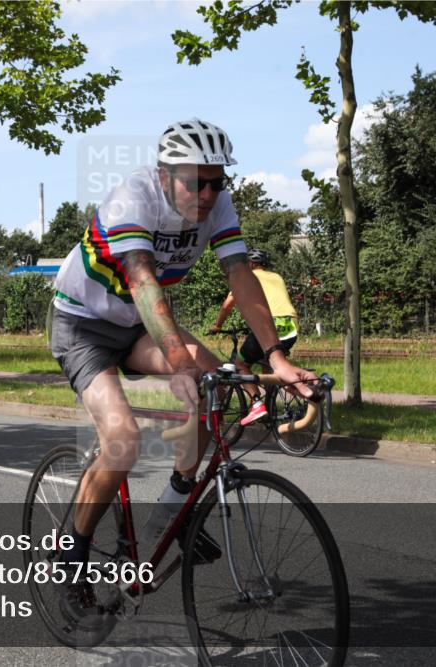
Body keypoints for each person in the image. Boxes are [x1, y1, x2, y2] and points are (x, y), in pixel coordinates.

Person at [50, 119, 317, 612]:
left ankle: (174, 513)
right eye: (196, 182)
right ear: (164, 175)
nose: (208, 194)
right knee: (123, 438)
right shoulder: (133, 197)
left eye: (218, 181)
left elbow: (240, 274)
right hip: (84, 326)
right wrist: (178, 361)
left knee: (219, 388)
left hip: (137, 327)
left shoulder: (218, 203)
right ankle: (71, 555)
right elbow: (142, 280)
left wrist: (275, 357)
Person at [208, 248, 300, 425]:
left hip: (269, 325)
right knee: (271, 363)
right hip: (291, 327)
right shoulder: (277, 277)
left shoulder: (246, 278)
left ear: (249, 264)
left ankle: (257, 404)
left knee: (240, 364)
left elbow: (227, 306)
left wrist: (218, 326)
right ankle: (272, 407)